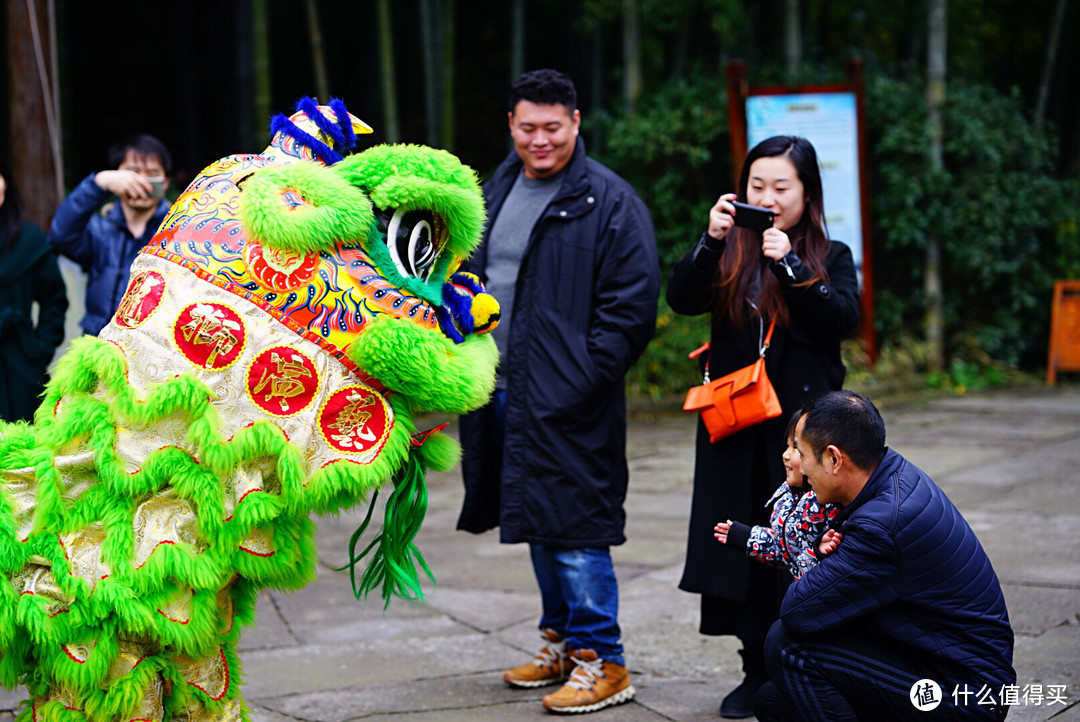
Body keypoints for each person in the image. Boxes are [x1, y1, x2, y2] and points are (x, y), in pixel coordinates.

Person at [455, 68, 660, 714]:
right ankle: (564, 645)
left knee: (576, 528)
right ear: (511, 126)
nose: (539, 140)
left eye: (552, 127)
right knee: (537, 524)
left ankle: (606, 661)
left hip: (572, 399)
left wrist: (578, 381)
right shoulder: (499, 186)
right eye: (527, 128)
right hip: (503, 390)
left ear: (575, 123)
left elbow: (631, 312)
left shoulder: (609, 202)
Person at [667, 135, 860, 718]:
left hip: (804, 435)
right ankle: (755, 668)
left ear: (807, 192)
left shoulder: (832, 253)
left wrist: (792, 264)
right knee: (743, 542)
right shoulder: (728, 251)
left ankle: (803, 666)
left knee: (805, 546)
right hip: (736, 426)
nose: (768, 197)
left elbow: (842, 319)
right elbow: (679, 298)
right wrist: (711, 240)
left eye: (782, 187)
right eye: (756, 185)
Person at [755, 390, 1015, 721]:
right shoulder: (887, 476)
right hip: (940, 665)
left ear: (835, 459)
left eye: (802, 453)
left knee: (788, 647)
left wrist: (810, 554)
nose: (800, 468)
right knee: (775, 702)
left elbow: (798, 611)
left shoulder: (883, 524)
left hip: (964, 696)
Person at [48, 134, 172, 336]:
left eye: (152, 173)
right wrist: (98, 184)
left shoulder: (176, 233)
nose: (142, 180)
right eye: (133, 172)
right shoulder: (98, 229)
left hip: (153, 351)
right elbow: (61, 236)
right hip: (98, 344)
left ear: (165, 182)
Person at [713, 410, 842, 580]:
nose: (785, 455)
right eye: (787, 446)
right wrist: (748, 537)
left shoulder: (829, 501)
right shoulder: (788, 496)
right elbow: (786, 549)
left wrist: (818, 550)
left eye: (795, 448)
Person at [0, 162, 68, 423]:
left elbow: (55, 301)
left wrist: (40, 348)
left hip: (21, 362)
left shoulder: (30, 241)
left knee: (25, 447)